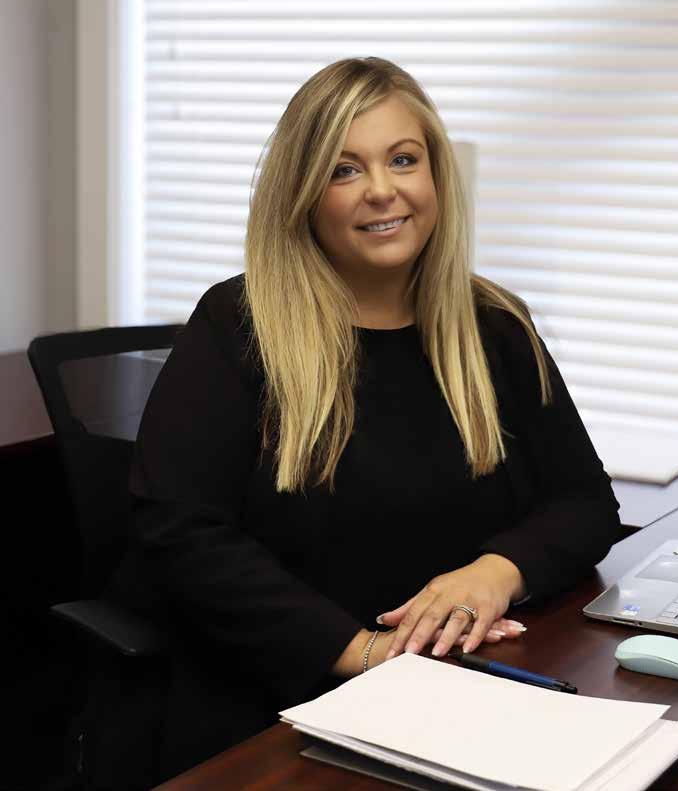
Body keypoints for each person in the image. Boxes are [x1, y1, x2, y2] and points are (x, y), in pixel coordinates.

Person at [108, 56, 621, 785]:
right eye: (344, 170)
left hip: (452, 689)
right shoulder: (239, 323)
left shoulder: (494, 324)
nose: (382, 189)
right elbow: (179, 529)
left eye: (403, 159)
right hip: (275, 704)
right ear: (303, 194)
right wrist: (362, 653)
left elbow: (584, 501)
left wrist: (495, 573)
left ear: (435, 176)